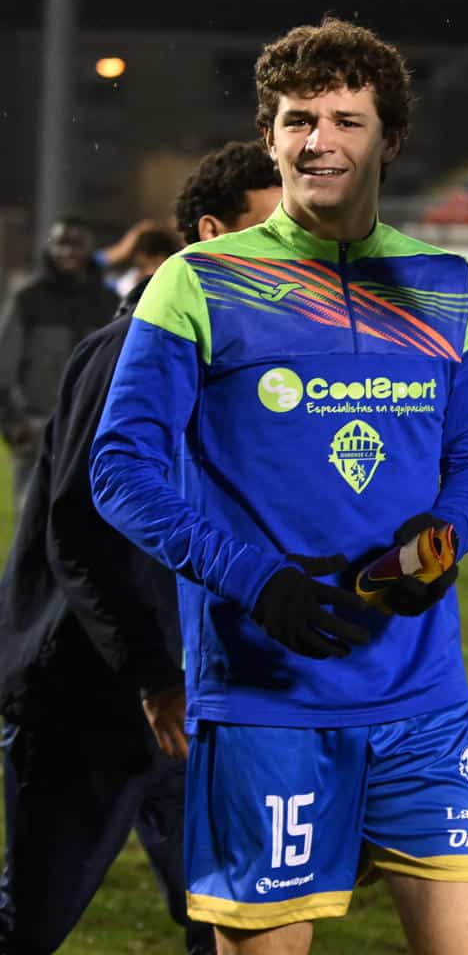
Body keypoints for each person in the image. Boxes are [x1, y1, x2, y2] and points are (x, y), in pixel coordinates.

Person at [89, 18, 468, 952]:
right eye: (297, 119)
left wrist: (444, 538)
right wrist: (257, 581)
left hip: (425, 702)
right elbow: (119, 471)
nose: (318, 140)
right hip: (264, 703)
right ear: (271, 135)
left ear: (389, 139)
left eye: (346, 120)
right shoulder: (198, 281)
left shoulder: (446, 285)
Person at [0, 139, 281, 955]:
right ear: (209, 233)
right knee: (31, 922)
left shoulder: (238, 353)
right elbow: (79, 536)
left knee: (228, 917)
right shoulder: (129, 350)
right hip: (88, 696)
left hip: (198, 701)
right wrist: (153, 674)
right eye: (269, 231)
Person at [0, 219, 119, 525]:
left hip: (93, 431)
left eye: (75, 243)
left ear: (88, 250)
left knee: (87, 529)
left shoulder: (107, 302)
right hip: (39, 430)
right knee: (32, 522)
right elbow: (4, 369)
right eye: (59, 243)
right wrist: (15, 425)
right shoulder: (28, 300)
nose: (66, 251)